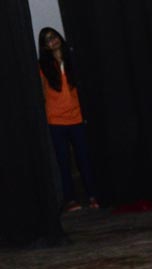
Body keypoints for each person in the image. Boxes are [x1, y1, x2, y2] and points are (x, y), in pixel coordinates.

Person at [38, 27, 99, 213]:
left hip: (77, 117)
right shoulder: (43, 67)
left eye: (54, 36)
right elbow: (41, 93)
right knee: (63, 162)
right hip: (56, 121)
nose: (53, 41)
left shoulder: (72, 59)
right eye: (48, 39)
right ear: (45, 46)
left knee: (84, 158)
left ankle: (93, 194)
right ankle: (70, 199)